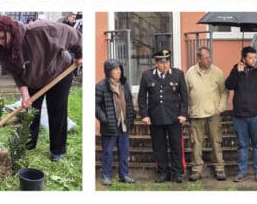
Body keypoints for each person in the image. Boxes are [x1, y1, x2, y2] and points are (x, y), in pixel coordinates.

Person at [0, 16, 82, 161]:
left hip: (59, 73)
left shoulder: (41, 30)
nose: (0, 43)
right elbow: (17, 74)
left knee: (57, 110)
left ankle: (58, 151)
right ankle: (29, 143)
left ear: (11, 31)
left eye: (1, 38)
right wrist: (25, 94)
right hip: (32, 79)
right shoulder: (5, 50)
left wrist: (80, 54)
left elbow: (73, 34)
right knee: (31, 112)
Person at [138, 49, 188, 183]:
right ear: (156, 63)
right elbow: (142, 98)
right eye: (162, 62)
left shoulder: (178, 74)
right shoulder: (147, 76)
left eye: (167, 61)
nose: (165, 65)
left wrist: (183, 114)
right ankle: (162, 172)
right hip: (156, 117)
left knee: (176, 146)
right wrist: (144, 115)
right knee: (159, 146)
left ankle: (177, 173)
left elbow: (184, 96)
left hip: (174, 117)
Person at [225, 46, 257, 183]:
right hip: (240, 116)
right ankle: (241, 172)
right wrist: (237, 73)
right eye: (250, 57)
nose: (254, 60)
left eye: (255, 57)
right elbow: (229, 85)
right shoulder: (237, 69)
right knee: (242, 145)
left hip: (256, 116)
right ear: (244, 58)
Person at [186, 47, 228, 182]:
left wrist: (220, 108)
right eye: (206, 58)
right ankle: (197, 169)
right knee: (196, 143)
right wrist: (188, 110)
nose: (209, 60)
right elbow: (186, 94)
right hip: (196, 114)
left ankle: (219, 168)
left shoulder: (218, 72)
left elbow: (224, 92)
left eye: (210, 57)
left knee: (216, 141)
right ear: (198, 58)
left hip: (213, 114)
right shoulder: (190, 73)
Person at [95, 58, 136, 185]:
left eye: (120, 69)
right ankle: (106, 176)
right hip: (110, 125)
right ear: (109, 71)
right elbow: (95, 105)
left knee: (124, 151)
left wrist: (131, 116)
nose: (119, 71)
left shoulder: (124, 85)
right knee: (107, 151)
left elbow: (129, 102)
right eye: (116, 69)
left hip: (123, 124)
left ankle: (124, 175)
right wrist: (104, 119)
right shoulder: (101, 86)